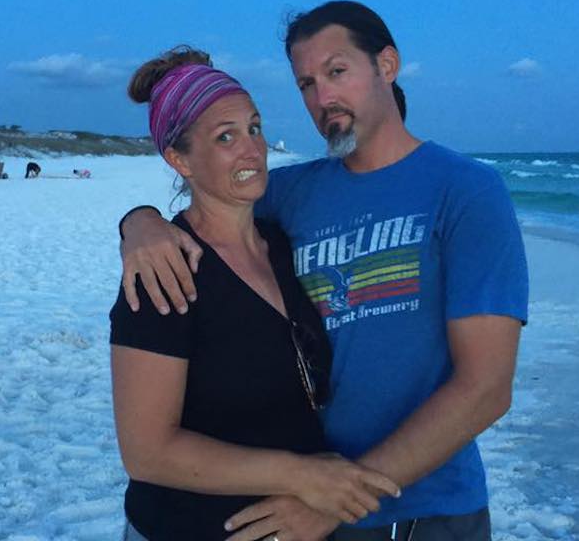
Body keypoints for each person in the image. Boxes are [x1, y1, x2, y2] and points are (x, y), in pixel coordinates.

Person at [119, 2, 529, 541]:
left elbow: (485, 387)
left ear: (387, 65)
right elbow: (209, 218)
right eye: (306, 83)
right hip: (309, 508)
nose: (322, 98)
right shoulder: (290, 194)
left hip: (423, 509)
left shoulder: (466, 191)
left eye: (337, 72)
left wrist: (339, 501)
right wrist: (140, 223)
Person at [109, 47, 400, 541]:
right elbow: (146, 452)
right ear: (180, 159)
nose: (252, 149)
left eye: (255, 128)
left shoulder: (283, 244)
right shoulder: (165, 271)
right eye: (225, 137)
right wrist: (300, 475)